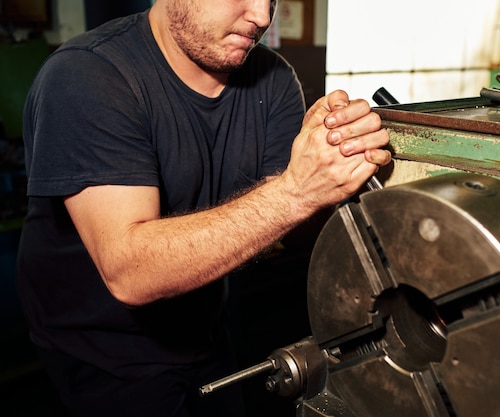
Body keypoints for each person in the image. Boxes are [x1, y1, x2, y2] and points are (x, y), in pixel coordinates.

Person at [16, 0, 391, 416]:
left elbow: (291, 227)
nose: (263, 17)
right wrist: (297, 191)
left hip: (205, 328)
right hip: (99, 348)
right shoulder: (87, 75)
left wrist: (331, 165)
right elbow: (130, 271)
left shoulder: (273, 78)